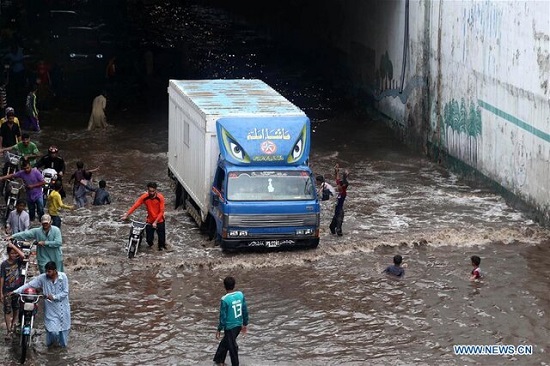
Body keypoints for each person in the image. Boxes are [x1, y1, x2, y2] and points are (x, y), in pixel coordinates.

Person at [9, 261, 71, 348]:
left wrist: (54, 297)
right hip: (51, 309)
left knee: (63, 334)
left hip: (63, 309)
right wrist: (16, 291)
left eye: (49, 271)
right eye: (46, 271)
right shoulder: (43, 278)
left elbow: (65, 292)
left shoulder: (63, 277)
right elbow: (29, 284)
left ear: (55, 270)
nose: (47, 273)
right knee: (52, 331)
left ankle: (60, 351)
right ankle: (51, 347)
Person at [213, 276, 249, 366]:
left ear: (224, 286)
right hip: (238, 325)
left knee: (232, 347)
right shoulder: (240, 295)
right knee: (226, 342)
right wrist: (245, 324)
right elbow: (245, 310)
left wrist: (219, 329)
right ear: (234, 285)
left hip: (230, 327)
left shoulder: (224, 299)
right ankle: (218, 360)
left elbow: (223, 317)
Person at [121, 182, 166, 250]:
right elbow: (136, 205)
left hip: (159, 220)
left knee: (162, 244)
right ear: (147, 190)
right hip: (150, 221)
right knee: (149, 241)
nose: (151, 193)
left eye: (153, 191)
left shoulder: (160, 198)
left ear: (156, 190)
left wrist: (156, 222)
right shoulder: (145, 197)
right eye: (150, 191)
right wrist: (127, 214)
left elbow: (161, 211)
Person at [0, 241, 25, 339]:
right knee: (7, 310)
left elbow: (23, 255)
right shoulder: (4, 264)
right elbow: (1, 278)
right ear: (8, 254)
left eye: (15, 253)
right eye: (12, 253)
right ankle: (8, 330)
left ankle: (13, 324)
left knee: (16, 308)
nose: (14, 255)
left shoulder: (18, 261)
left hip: (17, 290)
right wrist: (1, 292)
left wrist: (13, 246)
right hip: (7, 290)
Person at [329, 163, 349, 236]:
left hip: (340, 213)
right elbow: (337, 180)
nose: (337, 186)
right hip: (336, 213)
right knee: (331, 227)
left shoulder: (343, 193)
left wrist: (344, 176)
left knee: (338, 230)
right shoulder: (340, 193)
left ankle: (343, 244)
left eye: (339, 185)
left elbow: (342, 183)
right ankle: (333, 241)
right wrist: (337, 171)